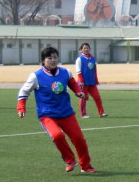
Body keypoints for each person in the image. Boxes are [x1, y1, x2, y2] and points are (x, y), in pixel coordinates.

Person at [17, 46, 97, 174]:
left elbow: (72, 84)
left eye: (55, 57)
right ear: (43, 60)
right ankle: (70, 160)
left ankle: (86, 166)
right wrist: (21, 107)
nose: (53, 60)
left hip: (66, 113)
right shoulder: (36, 76)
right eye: (49, 58)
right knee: (57, 135)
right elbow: (24, 91)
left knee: (79, 140)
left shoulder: (65, 72)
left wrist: (78, 92)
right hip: (47, 115)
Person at [76, 43, 107, 118]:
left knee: (97, 97)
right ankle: (83, 114)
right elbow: (78, 71)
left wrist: (96, 80)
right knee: (83, 98)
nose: (86, 49)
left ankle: (101, 112)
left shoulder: (92, 58)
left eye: (87, 48)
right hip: (83, 83)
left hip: (92, 82)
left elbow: (94, 70)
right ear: (81, 50)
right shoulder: (79, 59)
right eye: (84, 48)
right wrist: (81, 81)